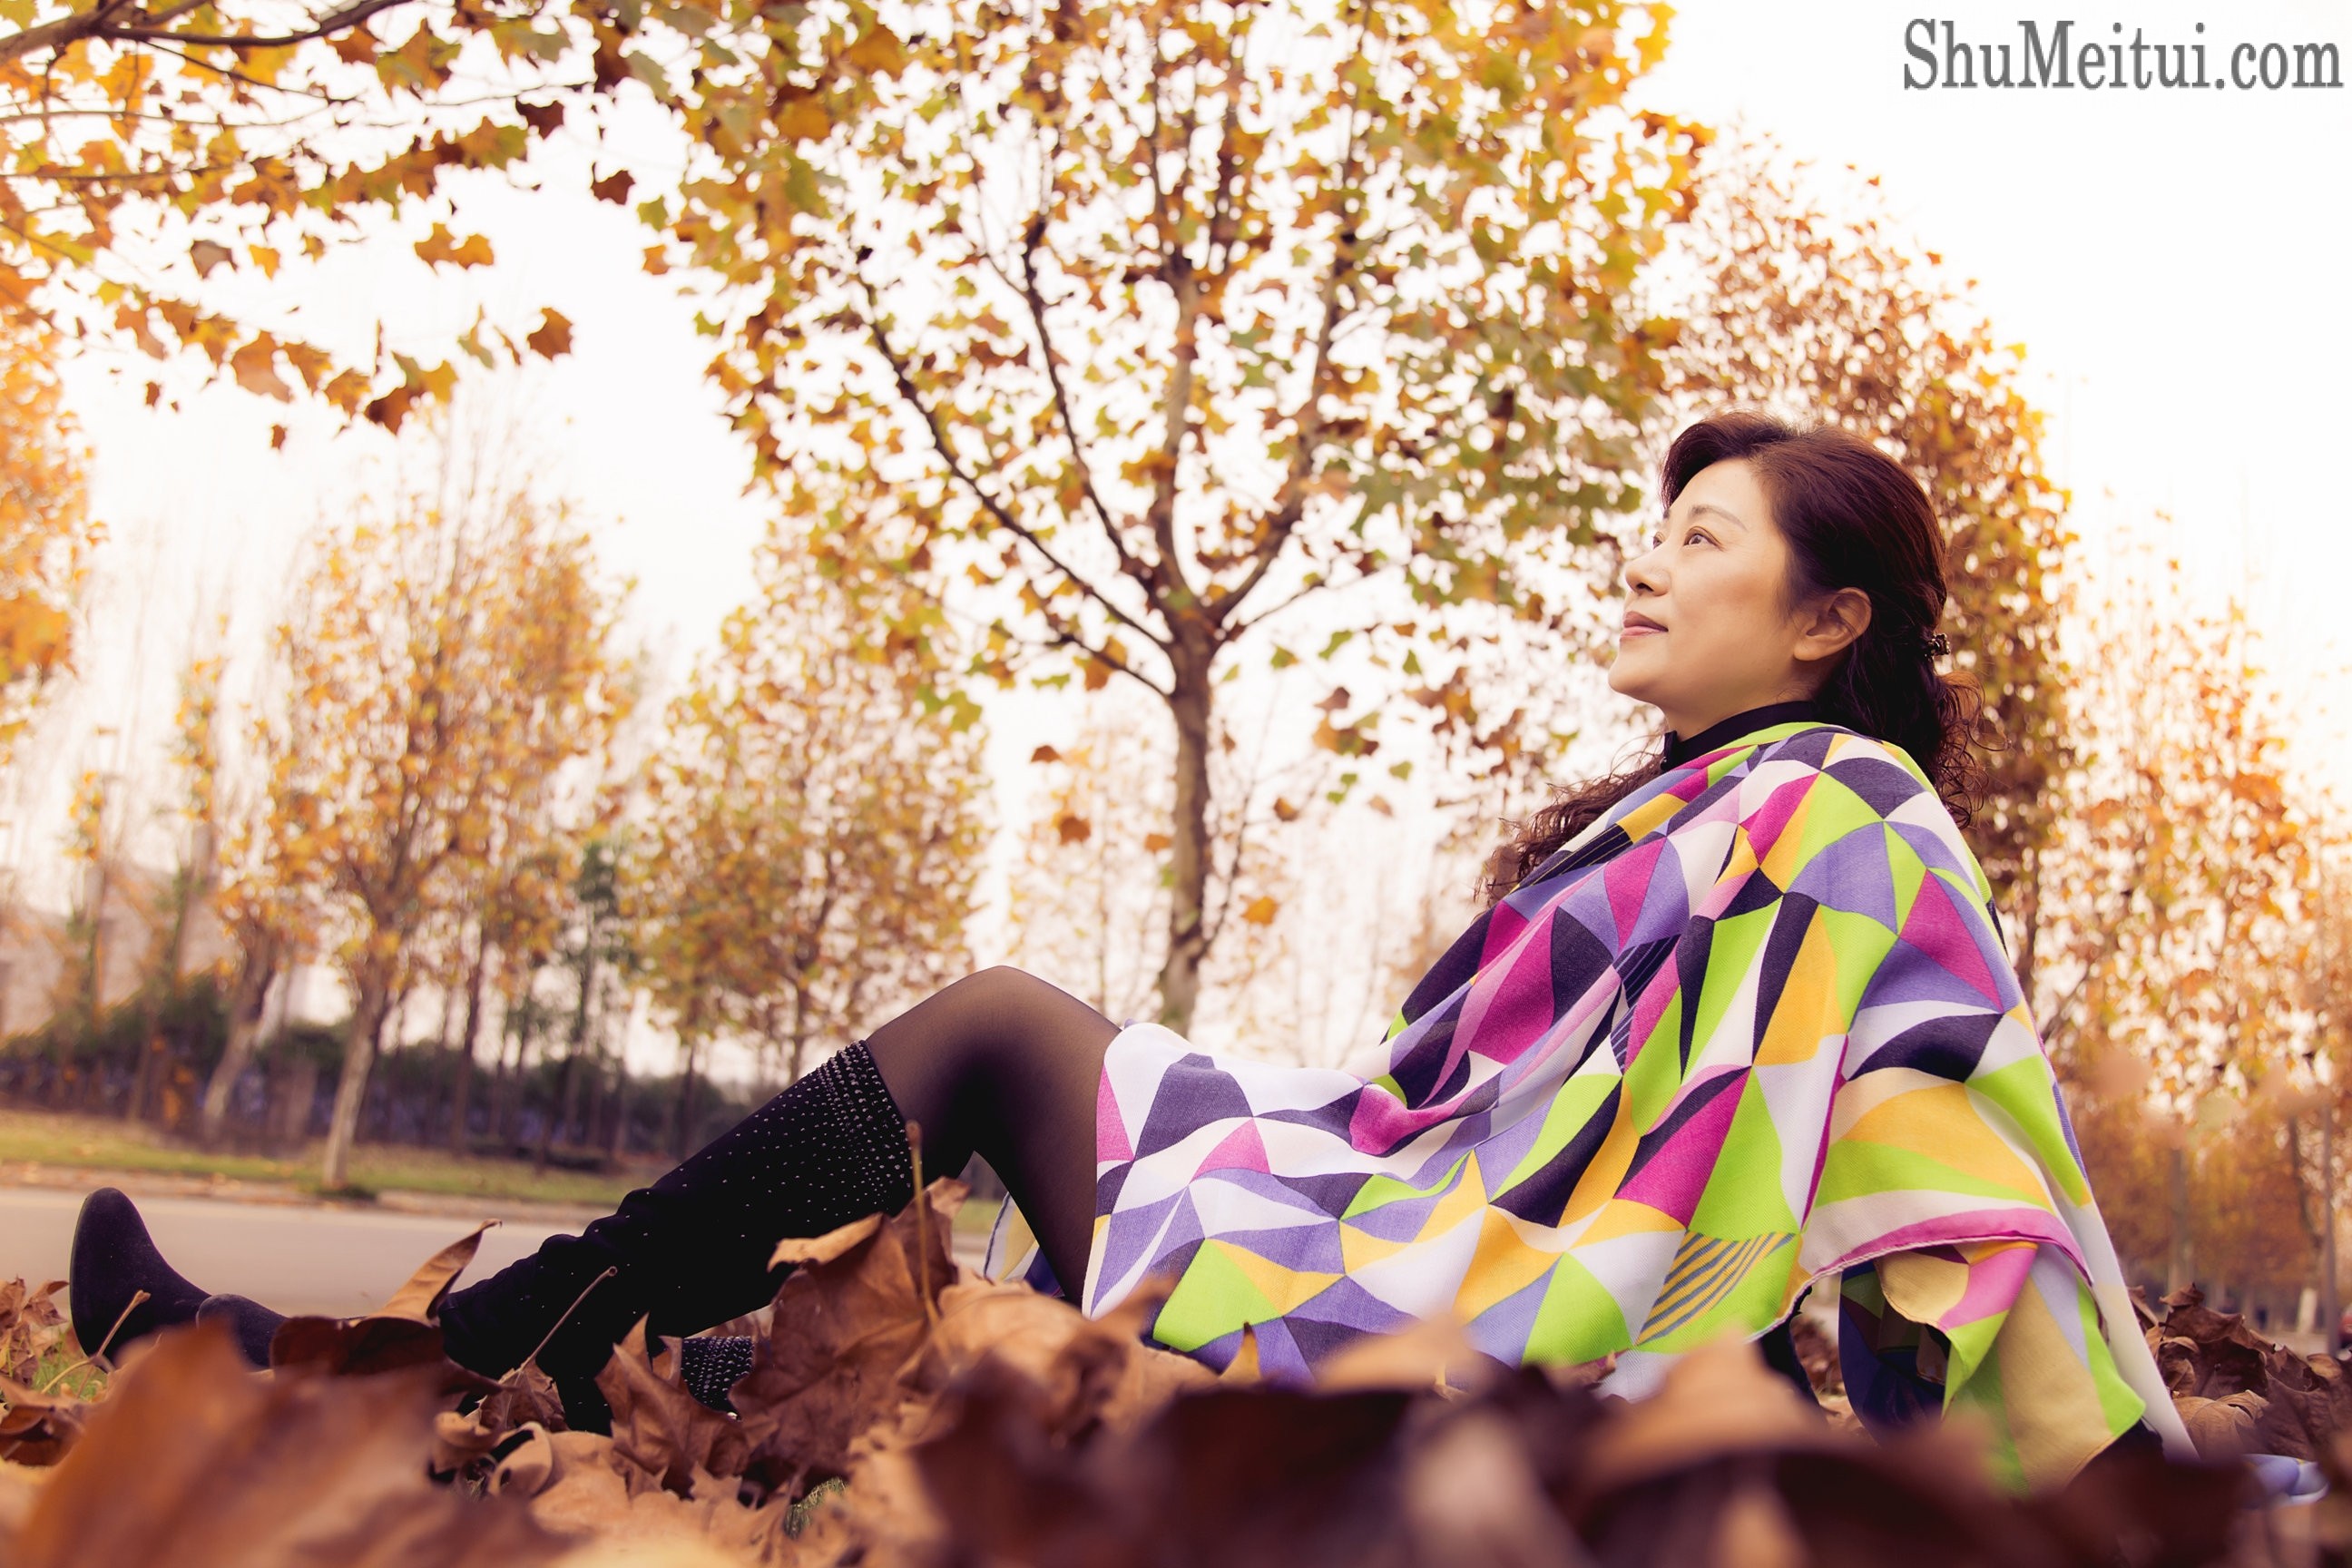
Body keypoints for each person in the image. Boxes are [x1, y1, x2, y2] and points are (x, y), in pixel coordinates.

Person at [68, 410, 2190, 1489]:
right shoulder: (1703, 804)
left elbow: (1942, 1162)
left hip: (1481, 1324)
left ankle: (365, 1374)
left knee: (1002, 1032)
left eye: (1701, 538)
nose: (1644, 562)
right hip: (1407, 1231)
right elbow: (1470, 1095)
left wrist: (1987, 1476)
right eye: (1652, 526)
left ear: (1827, 620)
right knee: (972, 1189)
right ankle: (399, 1377)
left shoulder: (1848, 820)